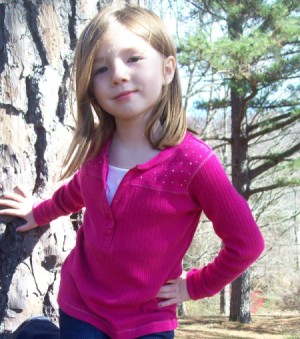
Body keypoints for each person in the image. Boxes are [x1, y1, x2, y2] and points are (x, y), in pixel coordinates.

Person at [0, 4, 264, 339]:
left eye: (134, 59)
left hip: (148, 318)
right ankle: (38, 331)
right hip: (83, 305)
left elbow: (246, 243)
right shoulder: (98, 149)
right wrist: (38, 214)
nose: (118, 75)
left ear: (168, 69)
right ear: (91, 87)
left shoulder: (193, 163)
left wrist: (195, 286)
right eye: (100, 69)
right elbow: (78, 192)